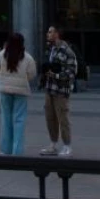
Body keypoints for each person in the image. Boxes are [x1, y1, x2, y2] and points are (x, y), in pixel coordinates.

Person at [0, 32, 37, 155]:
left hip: (4, 90)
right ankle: (17, 151)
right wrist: (23, 80)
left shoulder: (1, 55)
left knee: (6, 119)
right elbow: (32, 74)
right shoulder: (27, 57)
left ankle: (5, 149)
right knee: (19, 120)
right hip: (21, 91)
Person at [40, 25, 76, 157]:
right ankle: (53, 144)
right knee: (50, 118)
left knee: (63, 118)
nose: (47, 34)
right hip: (49, 89)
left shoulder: (67, 51)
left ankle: (67, 145)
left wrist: (55, 75)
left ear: (57, 34)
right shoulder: (50, 49)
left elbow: (71, 73)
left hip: (61, 90)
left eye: (50, 32)